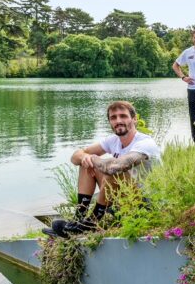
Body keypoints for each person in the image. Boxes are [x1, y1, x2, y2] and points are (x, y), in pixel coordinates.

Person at [43, 101, 162, 237]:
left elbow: (116, 167)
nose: (118, 121)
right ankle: (78, 219)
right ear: (110, 122)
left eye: (123, 116)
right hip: (123, 200)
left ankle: (90, 224)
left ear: (134, 119)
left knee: (113, 170)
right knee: (85, 161)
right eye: (113, 117)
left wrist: (92, 158)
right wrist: (86, 158)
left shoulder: (145, 143)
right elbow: (75, 156)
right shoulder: (113, 140)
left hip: (145, 205)